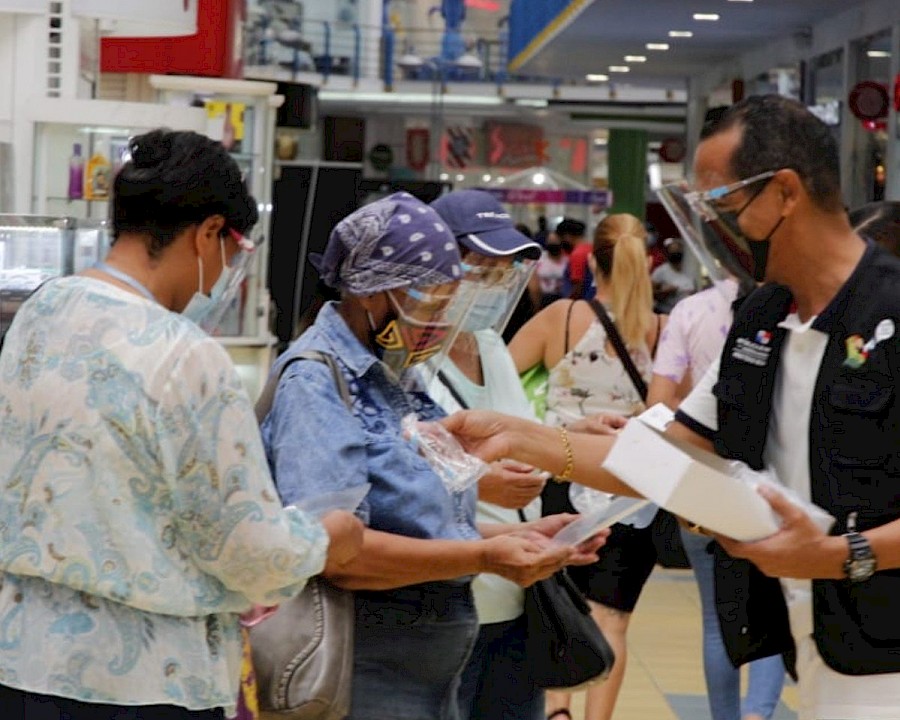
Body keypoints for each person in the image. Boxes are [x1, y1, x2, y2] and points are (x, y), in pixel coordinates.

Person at [441, 94, 900, 720]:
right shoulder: (761, 322)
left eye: (721, 206)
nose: (713, 227)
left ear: (784, 193)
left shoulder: (890, 315)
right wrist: (523, 438)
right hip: (817, 639)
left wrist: (846, 554)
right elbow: (671, 453)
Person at [0, 129, 364, 720]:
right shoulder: (185, 355)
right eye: (230, 250)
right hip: (144, 679)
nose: (220, 275)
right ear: (209, 233)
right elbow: (245, 549)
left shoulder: (41, 311)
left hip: (20, 658)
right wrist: (324, 539)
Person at [259, 192, 602, 720]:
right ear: (374, 292)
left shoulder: (396, 374)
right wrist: (486, 557)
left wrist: (520, 536)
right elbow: (340, 553)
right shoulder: (316, 382)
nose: (439, 322)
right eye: (429, 303)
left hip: (427, 667)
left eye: (448, 304)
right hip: (365, 664)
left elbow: (420, 524)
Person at [508, 213, 665, 720]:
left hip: (565, 477)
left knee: (559, 607)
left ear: (592, 260)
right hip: (635, 492)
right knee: (612, 620)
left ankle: (556, 710)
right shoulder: (662, 330)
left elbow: (500, 381)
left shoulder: (566, 318)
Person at [428, 189, 558, 720]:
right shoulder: (413, 355)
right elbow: (396, 475)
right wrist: (482, 481)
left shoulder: (490, 344)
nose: (494, 282)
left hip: (520, 593)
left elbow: (522, 429)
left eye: (504, 269)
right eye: (480, 266)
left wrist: (570, 434)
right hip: (455, 595)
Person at [647, 276, 786, 720]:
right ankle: (758, 714)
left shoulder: (690, 311)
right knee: (772, 605)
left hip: (702, 480)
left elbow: (660, 400)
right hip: (775, 489)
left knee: (716, 619)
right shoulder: (792, 312)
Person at [651, 237, 696, 313]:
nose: (676, 252)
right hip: (666, 312)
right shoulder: (661, 271)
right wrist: (664, 292)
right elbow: (651, 293)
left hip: (685, 312)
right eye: (672, 250)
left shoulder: (690, 269)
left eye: (678, 249)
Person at [557, 218, 593, 300]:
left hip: (581, 302)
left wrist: (569, 304)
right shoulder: (591, 249)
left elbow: (577, 286)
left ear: (567, 236)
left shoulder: (577, 254)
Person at [534, 232, 569, 308]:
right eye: (550, 241)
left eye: (555, 241)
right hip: (542, 298)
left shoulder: (567, 260)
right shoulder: (539, 259)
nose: (553, 244)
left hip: (562, 299)